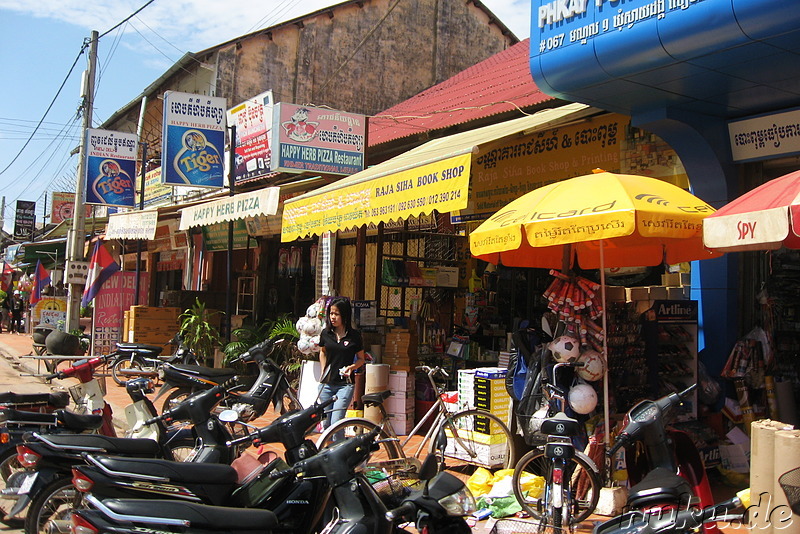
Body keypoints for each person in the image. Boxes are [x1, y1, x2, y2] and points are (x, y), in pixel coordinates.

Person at [317, 297, 365, 430]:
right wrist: (323, 370)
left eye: (336, 314)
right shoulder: (326, 334)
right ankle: (327, 450)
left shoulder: (354, 336)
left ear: (344, 315)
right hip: (326, 384)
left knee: (336, 424)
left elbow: (361, 359)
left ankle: (339, 449)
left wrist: (352, 367)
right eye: (331, 313)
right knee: (326, 424)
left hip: (345, 385)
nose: (333, 317)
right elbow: (322, 352)